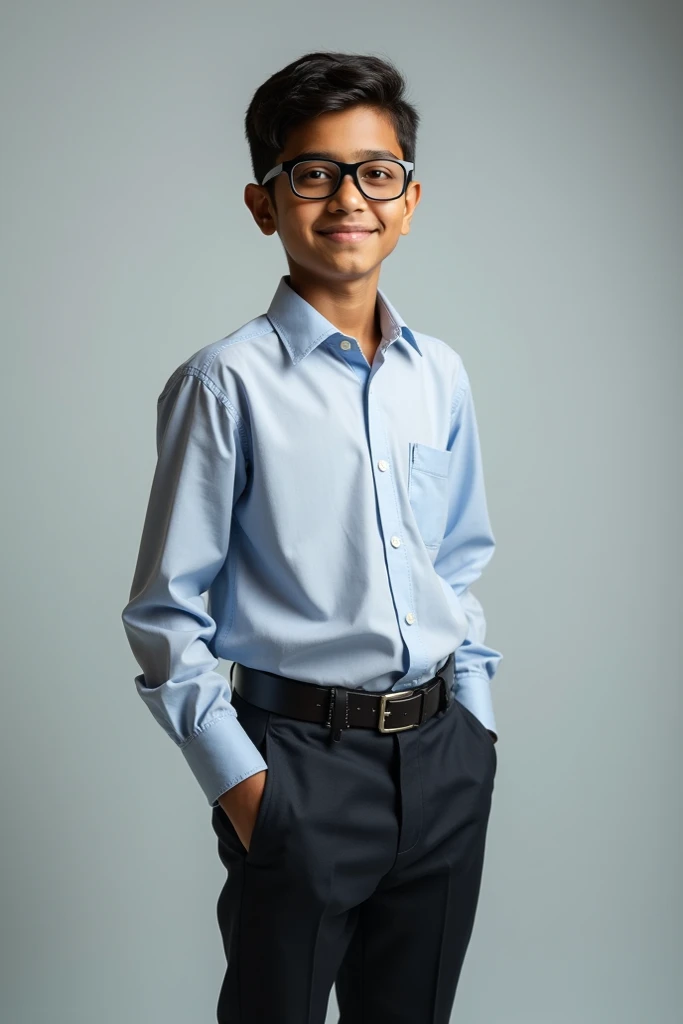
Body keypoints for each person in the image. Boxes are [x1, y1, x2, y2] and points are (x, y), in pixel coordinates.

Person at [121, 49, 503, 1024]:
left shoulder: (440, 376)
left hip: (441, 760)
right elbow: (165, 612)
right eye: (313, 173)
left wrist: (476, 724)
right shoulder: (224, 383)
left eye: (375, 173)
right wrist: (247, 790)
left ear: (408, 200)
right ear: (265, 203)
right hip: (295, 763)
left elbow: (456, 559)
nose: (348, 199)